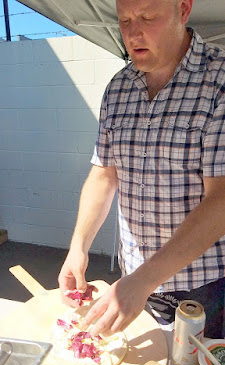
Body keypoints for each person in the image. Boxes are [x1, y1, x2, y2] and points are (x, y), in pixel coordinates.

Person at [58, 0, 225, 339]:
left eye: (148, 17)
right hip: (134, 280)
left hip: (205, 287)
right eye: (124, 20)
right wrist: (79, 246)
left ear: (183, 9)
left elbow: (220, 200)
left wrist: (143, 280)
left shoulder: (218, 82)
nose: (133, 33)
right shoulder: (118, 89)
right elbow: (103, 176)